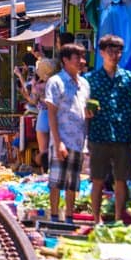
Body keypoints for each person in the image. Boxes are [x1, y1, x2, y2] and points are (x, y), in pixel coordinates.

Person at [84, 35, 131, 223]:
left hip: (122, 135)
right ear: (101, 53)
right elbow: (81, 104)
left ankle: (118, 218)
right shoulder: (90, 79)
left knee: (121, 179)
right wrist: (86, 112)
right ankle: (95, 219)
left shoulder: (129, 77)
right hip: (98, 135)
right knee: (98, 179)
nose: (115, 55)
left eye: (118, 51)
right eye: (110, 51)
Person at [45, 43, 91, 223]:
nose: (82, 61)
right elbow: (51, 113)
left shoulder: (85, 84)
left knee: (73, 183)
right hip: (61, 139)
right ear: (65, 60)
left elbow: (84, 113)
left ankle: (70, 218)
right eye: (77, 58)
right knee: (56, 181)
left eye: (82, 57)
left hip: (79, 140)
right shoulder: (56, 82)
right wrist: (58, 143)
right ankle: (55, 217)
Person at [15, 59, 54, 172]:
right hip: (55, 116)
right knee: (53, 149)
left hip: (43, 116)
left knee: (43, 150)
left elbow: (33, 101)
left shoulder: (38, 85)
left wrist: (25, 95)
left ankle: (44, 173)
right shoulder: (56, 83)